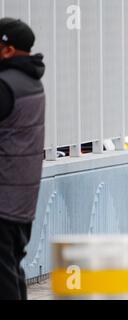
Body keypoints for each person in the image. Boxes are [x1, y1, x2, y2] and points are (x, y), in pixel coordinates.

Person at [0, 18, 46, 300]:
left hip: (4, 196)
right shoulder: (31, 81)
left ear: (7, 49)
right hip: (21, 198)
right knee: (11, 268)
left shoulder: (6, 85)